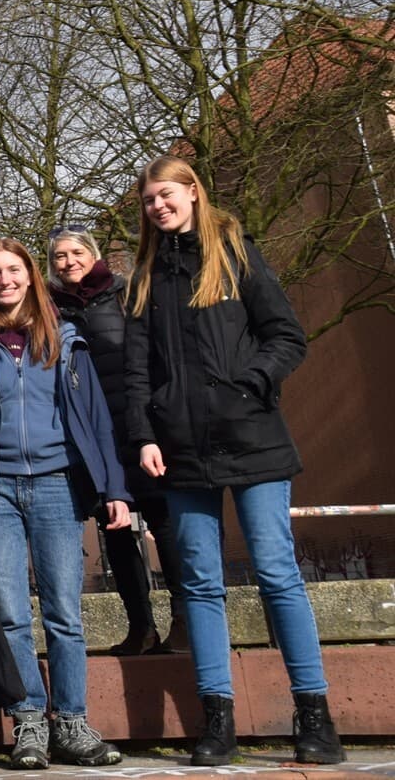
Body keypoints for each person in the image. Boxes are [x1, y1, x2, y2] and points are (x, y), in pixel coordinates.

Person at [122, 156, 342, 766]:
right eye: (148, 200)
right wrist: (144, 435)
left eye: (167, 195)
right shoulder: (144, 278)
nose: (158, 207)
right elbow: (137, 372)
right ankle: (217, 719)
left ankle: (315, 716)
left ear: (193, 193)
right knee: (198, 584)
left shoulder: (236, 254)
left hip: (253, 439)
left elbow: (286, 336)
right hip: (181, 450)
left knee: (276, 571)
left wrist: (250, 384)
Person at [0, 239, 131, 769]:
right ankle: (28, 720)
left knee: (64, 613)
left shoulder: (67, 341)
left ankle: (72, 722)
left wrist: (115, 489)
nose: (4, 280)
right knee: (9, 614)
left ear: (30, 276)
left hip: (58, 485)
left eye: (13, 271)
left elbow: (97, 419)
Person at [48, 226, 182, 655]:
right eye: (59, 258)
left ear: (93, 254)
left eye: (76, 253)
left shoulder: (127, 294)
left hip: (142, 427)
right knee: (115, 531)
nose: (69, 262)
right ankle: (140, 626)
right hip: (94, 436)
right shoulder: (52, 310)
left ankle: (184, 622)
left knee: (166, 523)